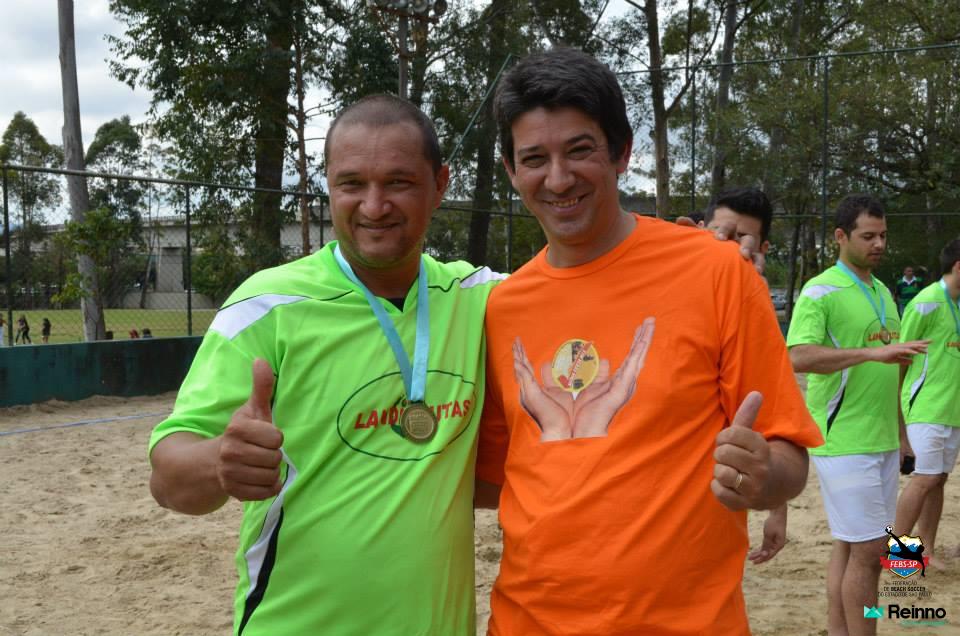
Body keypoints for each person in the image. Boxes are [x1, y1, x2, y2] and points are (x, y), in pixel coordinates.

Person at [475, 47, 823, 636]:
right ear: (511, 171)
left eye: (579, 150)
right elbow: (491, 477)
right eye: (534, 158)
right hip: (526, 621)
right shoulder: (500, 308)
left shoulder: (716, 273)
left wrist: (763, 476)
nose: (558, 178)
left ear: (621, 153)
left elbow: (787, 454)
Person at [147, 94, 505, 635]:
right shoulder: (267, 307)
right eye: (352, 183)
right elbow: (166, 480)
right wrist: (220, 461)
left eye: (399, 182)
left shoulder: (481, 299)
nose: (374, 206)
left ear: (440, 185)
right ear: (329, 188)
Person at [787, 194, 929, 636]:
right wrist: (870, 353)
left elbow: (892, 372)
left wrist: (902, 434)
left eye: (883, 235)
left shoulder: (883, 291)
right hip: (844, 440)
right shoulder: (821, 290)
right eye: (868, 236)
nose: (879, 244)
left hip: (881, 438)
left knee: (850, 548)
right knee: (871, 553)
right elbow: (798, 356)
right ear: (840, 236)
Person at [893, 238, 960, 569]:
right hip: (925, 407)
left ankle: (927, 551)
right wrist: (899, 416)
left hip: (952, 409)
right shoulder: (926, 302)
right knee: (923, 479)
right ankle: (899, 555)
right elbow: (901, 358)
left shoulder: (957, 304)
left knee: (938, 479)